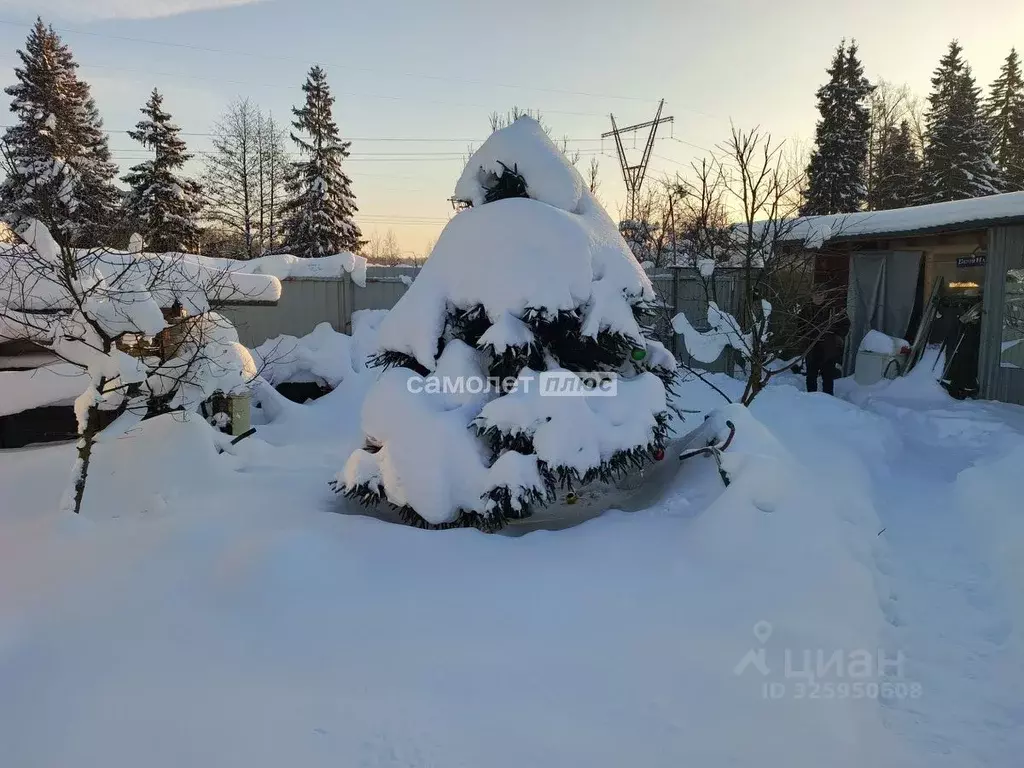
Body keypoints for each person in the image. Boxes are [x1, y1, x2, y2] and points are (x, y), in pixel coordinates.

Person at [799, 292, 850, 396]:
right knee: (811, 375)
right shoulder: (806, 309)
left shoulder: (834, 308)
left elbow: (845, 323)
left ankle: (828, 399)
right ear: (811, 296)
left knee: (828, 376)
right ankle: (810, 398)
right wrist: (804, 338)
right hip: (811, 347)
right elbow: (800, 325)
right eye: (815, 295)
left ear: (825, 296)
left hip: (828, 348)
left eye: (821, 295)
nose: (818, 298)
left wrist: (837, 337)